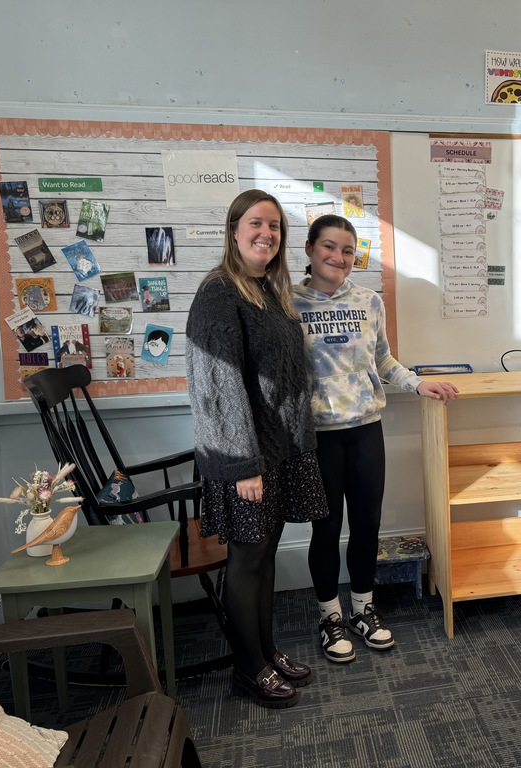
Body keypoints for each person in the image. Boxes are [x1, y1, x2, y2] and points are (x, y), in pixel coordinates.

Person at [293, 214, 458, 663]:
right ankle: (330, 616)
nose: (339, 257)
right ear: (309, 250)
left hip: (366, 431)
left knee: (368, 525)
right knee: (325, 529)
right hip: (318, 436)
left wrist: (418, 384)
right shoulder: (286, 303)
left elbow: (383, 360)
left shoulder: (368, 301)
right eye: (329, 247)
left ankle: (364, 608)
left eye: (348, 250)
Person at [185, 189, 329, 708]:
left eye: (275, 226)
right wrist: (244, 465)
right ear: (233, 229)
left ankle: (265, 652)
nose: (266, 233)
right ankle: (248, 670)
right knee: (246, 561)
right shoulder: (220, 293)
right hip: (243, 459)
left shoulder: (265, 289)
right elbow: (218, 385)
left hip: (276, 450)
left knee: (264, 557)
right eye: (256, 223)